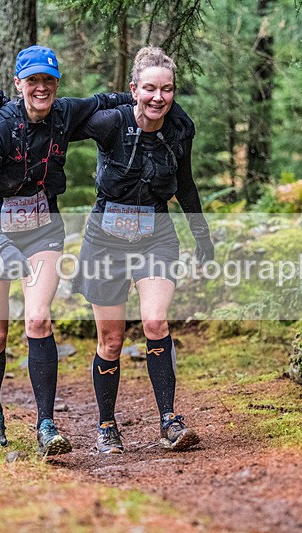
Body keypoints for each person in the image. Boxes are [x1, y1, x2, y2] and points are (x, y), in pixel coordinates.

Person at [0, 45, 133, 455]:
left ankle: (46, 424)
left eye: (49, 80)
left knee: (38, 319)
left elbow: (107, 100)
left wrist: (150, 98)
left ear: (57, 83)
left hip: (41, 231)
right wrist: (3, 248)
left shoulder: (64, 115)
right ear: (18, 83)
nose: (42, 87)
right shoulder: (0, 127)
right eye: (33, 80)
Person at [71, 46, 215, 454]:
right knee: (111, 341)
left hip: (156, 234)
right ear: (134, 89)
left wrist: (202, 238)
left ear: (174, 92)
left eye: (166, 90)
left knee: (155, 322)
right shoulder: (109, 122)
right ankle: (106, 426)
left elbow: (185, 185)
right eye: (149, 89)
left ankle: (169, 420)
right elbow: (56, 120)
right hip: (105, 239)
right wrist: (9, 109)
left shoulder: (179, 129)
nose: (158, 98)